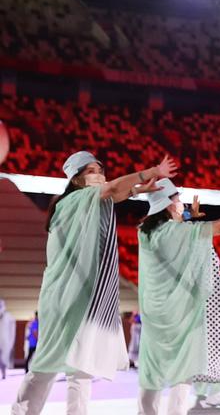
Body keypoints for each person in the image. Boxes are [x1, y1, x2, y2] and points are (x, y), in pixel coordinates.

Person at [11, 152, 176, 415]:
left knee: (82, 367)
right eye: (90, 170)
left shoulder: (90, 201)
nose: (98, 174)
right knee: (47, 365)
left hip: (85, 297)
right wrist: (152, 170)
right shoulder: (72, 201)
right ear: (76, 179)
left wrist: (136, 190)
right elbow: (110, 189)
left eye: (100, 169)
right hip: (64, 297)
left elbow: (112, 193)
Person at [136, 181, 220, 415]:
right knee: (182, 375)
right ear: (167, 204)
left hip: (154, 314)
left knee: (151, 374)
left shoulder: (145, 231)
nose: (180, 203)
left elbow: (175, 244)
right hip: (181, 314)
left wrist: (185, 219)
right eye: (176, 199)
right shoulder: (174, 231)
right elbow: (218, 227)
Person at [0, 299, 14, 379]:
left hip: (5, 341)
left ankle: (3, 373)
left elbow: (12, 330)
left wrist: (11, 342)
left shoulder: (8, 316)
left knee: (4, 358)